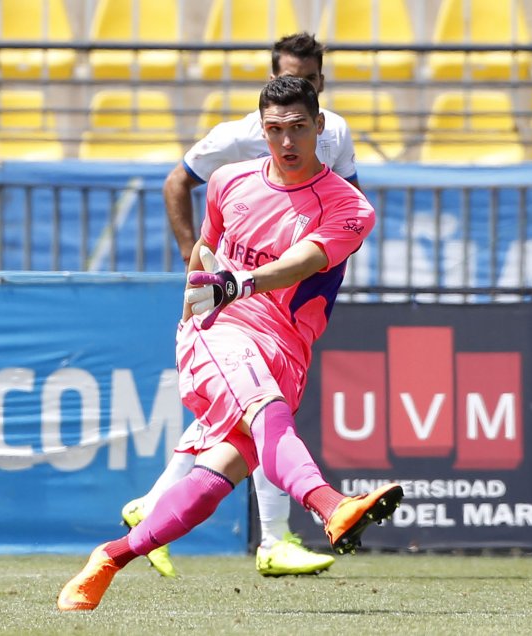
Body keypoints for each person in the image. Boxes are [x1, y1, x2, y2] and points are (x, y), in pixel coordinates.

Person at [58, 76, 403, 612]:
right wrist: (191, 317)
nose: (286, 143)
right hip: (221, 329)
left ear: (321, 128)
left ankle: (111, 557)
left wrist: (241, 279)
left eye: (298, 129)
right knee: (264, 415)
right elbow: (206, 249)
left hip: (286, 352)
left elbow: (307, 260)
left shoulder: (349, 207)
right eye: (274, 130)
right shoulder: (228, 180)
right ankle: (331, 506)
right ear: (260, 130)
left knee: (216, 477)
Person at [122, 32, 361, 579]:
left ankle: (156, 502)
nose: (285, 138)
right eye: (288, 76)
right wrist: (197, 264)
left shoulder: (336, 132)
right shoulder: (236, 142)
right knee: (261, 409)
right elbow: (178, 182)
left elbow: (342, 209)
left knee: (237, 417)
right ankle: (280, 536)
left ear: (320, 89)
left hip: (294, 294)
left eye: (310, 80)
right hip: (236, 298)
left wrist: (320, 286)